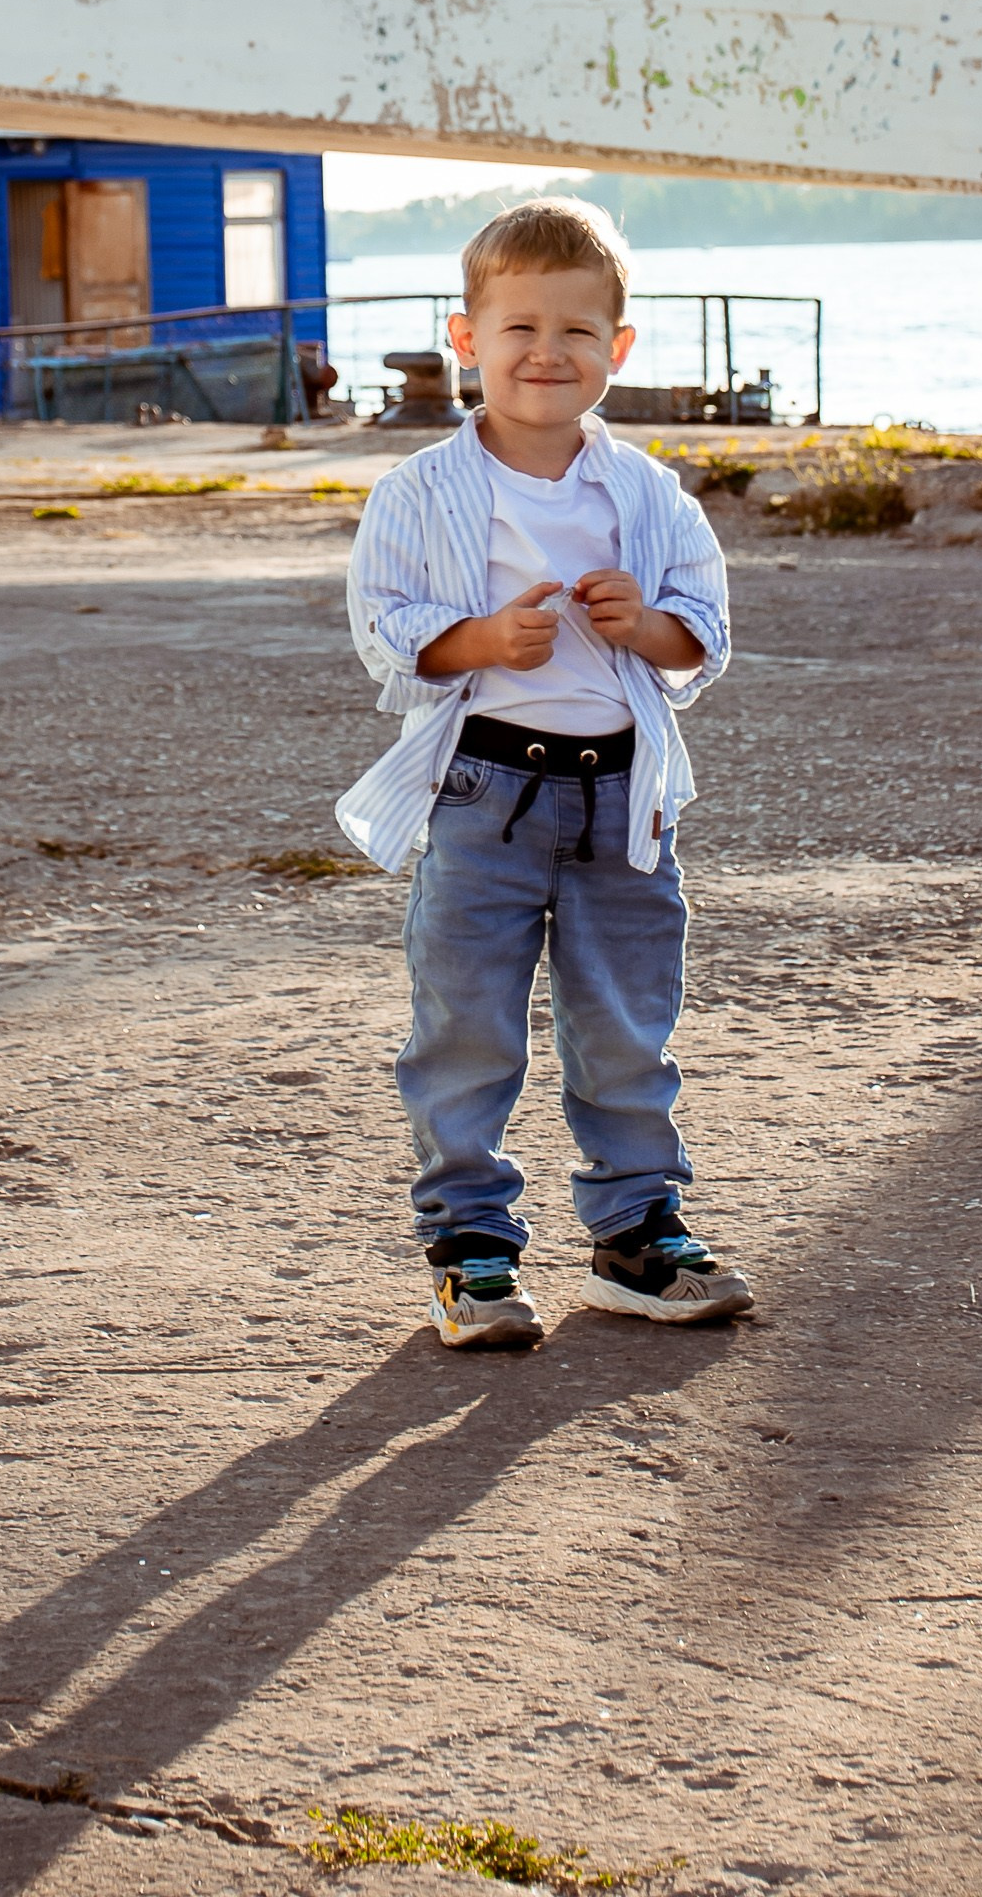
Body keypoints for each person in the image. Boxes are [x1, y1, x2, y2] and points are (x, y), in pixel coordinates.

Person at [339, 196, 753, 1349]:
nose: (546, 352)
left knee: (626, 1022)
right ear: (466, 339)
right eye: (518, 328)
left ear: (618, 348)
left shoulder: (648, 493)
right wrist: (481, 639)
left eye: (576, 331)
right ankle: (470, 1248)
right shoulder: (420, 491)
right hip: (485, 794)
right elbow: (385, 628)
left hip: (624, 799)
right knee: (468, 1024)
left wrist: (645, 627)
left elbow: (704, 632)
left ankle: (637, 1233)